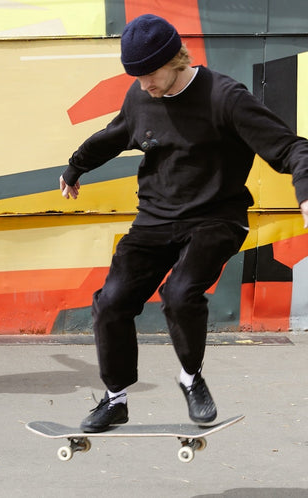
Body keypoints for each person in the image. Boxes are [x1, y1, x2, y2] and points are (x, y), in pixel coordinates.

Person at [59, 14, 308, 432]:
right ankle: (116, 397)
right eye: (135, 77)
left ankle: (191, 378)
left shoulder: (225, 98)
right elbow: (115, 134)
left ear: (176, 58)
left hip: (216, 217)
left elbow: (292, 148)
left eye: (150, 74)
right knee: (111, 301)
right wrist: (75, 167)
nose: (144, 86)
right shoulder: (141, 98)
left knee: (179, 293)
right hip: (156, 218)